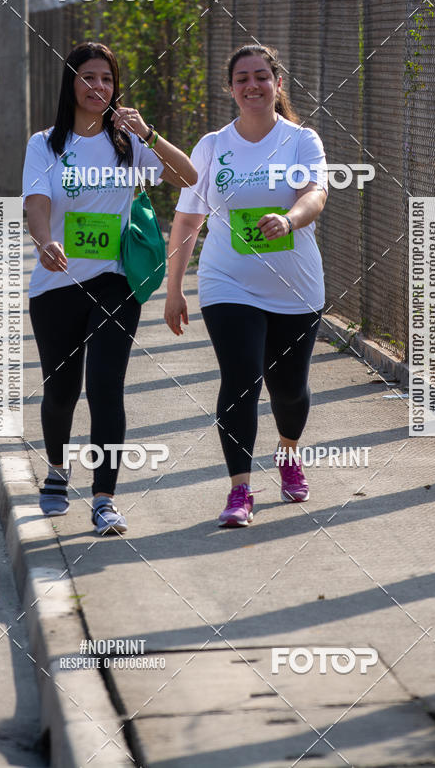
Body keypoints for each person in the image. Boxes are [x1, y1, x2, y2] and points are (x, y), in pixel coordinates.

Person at [23, 41, 197, 534]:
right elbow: (36, 202)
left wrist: (149, 134)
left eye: (107, 79)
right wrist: (43, 241)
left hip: (114, 282)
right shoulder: (47, 144)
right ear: (71, 83)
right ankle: (57, 470)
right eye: (88, 77)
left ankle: (104, 498)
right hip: (55, 282)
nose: (98, 86)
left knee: (106, 388)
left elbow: (190, 177)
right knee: (61, 390)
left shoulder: (127, 142)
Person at [164, 43, 328, 527]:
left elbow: (315, 194)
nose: (252, 85)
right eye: (242, 79)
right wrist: (174, 289)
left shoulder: (302, 140)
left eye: (261, 76)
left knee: (289, 390)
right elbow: (188, 220)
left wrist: (290, 219)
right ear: (230, 88)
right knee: (240, 381)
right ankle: (240, 490)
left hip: (295, 286)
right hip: (227, 281)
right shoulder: (213, 145)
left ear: (277, 84)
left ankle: (288, 450)